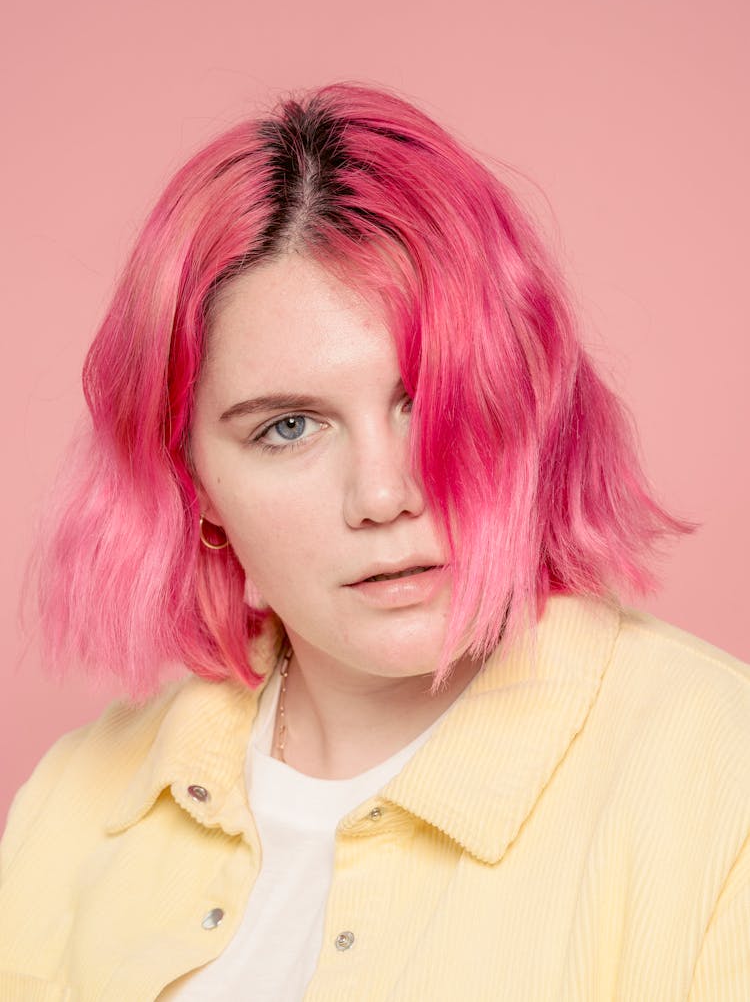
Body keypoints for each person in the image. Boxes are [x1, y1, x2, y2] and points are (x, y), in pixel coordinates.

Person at [0, 83, 747, 1001]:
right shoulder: (73, 801)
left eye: (429, 399)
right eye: (288, 428)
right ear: (191, 484)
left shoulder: (719, 777)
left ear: (531, 402)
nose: (385, 494)